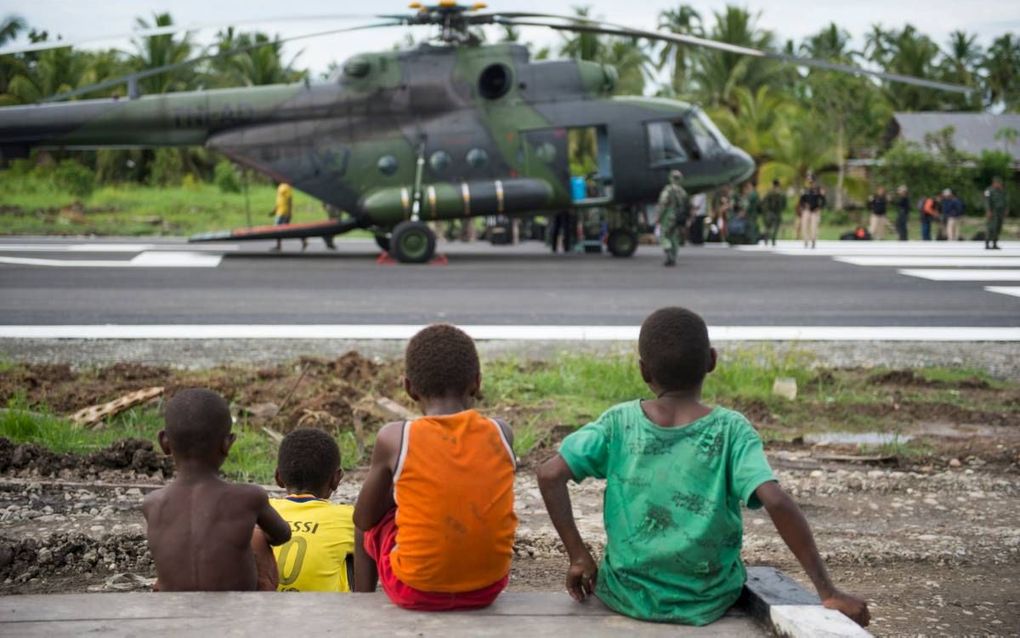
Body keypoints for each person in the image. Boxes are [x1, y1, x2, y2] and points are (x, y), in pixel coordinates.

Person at [536, 307, 871, 628]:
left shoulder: (618, 423)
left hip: (626, 594)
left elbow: (549, 474)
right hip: (709, 598)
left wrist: (579, 556)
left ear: (643, 371)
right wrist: (827, 591)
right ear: (711, 360)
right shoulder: (731, 430)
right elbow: (777, 501)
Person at [353, 324, 517, 610]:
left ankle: (360, 603)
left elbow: (364, 519)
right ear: (477, 382)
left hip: (414, 590)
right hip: (487, 587)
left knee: (372, 519)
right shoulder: (501, 432)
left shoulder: (395, 437)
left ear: (408, 387)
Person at [142, 388, 291, 591]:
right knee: (257, 540)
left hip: (175, 619)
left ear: (164, 442)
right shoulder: (248, 497)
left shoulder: (152, 503)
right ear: (227, 444)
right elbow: (282, 535)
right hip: (234, 619)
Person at [251, 428, 356, 592]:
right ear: (336, 479)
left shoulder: (260, 510)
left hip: (266, 610)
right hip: (325, 614)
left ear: (278, 477)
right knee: (361, 547)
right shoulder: (349, 517)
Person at [656, 169, 690, 266]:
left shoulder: (668, 189)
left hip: (668, 215)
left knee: (665, 235)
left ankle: (669, 254)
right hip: (679, 216)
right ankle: (674, 257)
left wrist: (659, 216)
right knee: (674, 237)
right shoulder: (683, 191)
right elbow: (687, 205)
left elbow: (663, 203)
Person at [270, 182, 307, 252]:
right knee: (284, 229)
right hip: (280, 212)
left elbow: (289, 200)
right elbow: (279, 201)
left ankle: (303, 239)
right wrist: (274, 210)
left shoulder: (286, 187)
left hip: (284, 213)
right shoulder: (280, 187)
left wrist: (289, 213)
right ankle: (303, 240)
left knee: (279, 229)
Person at [799, 177, 825, 248]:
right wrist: (804, 206)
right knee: (804, 226)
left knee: (814, 227)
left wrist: (819, 208)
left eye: (812, 182)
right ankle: (806, 240)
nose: (811, 184)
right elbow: (801, 200)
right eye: (809, 182)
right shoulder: (805, 190)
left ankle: (813, 240)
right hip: (806, 210)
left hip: (814, 211)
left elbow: (823, 200)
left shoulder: (818, 190)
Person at [985, 176, 1008, 250]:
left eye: (1000, 183)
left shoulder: (1002, 191)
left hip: (1000, 212)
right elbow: (987, 201)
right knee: (991, 227)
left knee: (998, 227)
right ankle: (987, 243)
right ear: (994, 183)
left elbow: (1005, 201)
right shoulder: (988, 190)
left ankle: (995, 244)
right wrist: (988, 211)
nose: (999, 184)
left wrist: (1006, 210)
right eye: (997, 183)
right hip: (993, 212)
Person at [762, 179, 786, 246]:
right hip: (776, 212)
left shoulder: (769, 192)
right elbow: (784, 204)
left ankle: (768, 238)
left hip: (770, 212)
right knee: (775, 227)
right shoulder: (780, 193)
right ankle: (772, 239)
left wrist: (766, 211)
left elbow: (764, 202)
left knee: (768, 227)